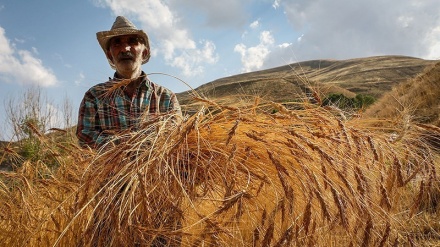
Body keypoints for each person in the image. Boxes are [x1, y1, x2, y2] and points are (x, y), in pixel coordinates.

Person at [76, 16, 182, 148]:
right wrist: (130, 146)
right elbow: (85, 136)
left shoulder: (166, 97)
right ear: (110, 55)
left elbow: (176, 138)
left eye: (132, 41)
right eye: (117, 43)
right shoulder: (94, 97)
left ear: (144, 53)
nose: (125, 48)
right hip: (111, 169)